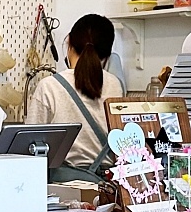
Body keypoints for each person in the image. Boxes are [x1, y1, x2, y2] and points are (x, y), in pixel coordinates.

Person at [27, 13, 122, 178]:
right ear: (107, 54)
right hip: (106, 185)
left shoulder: (50, 86)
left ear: (69, 42)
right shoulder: (115, 85)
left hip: (63, 186)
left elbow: (27, 147)